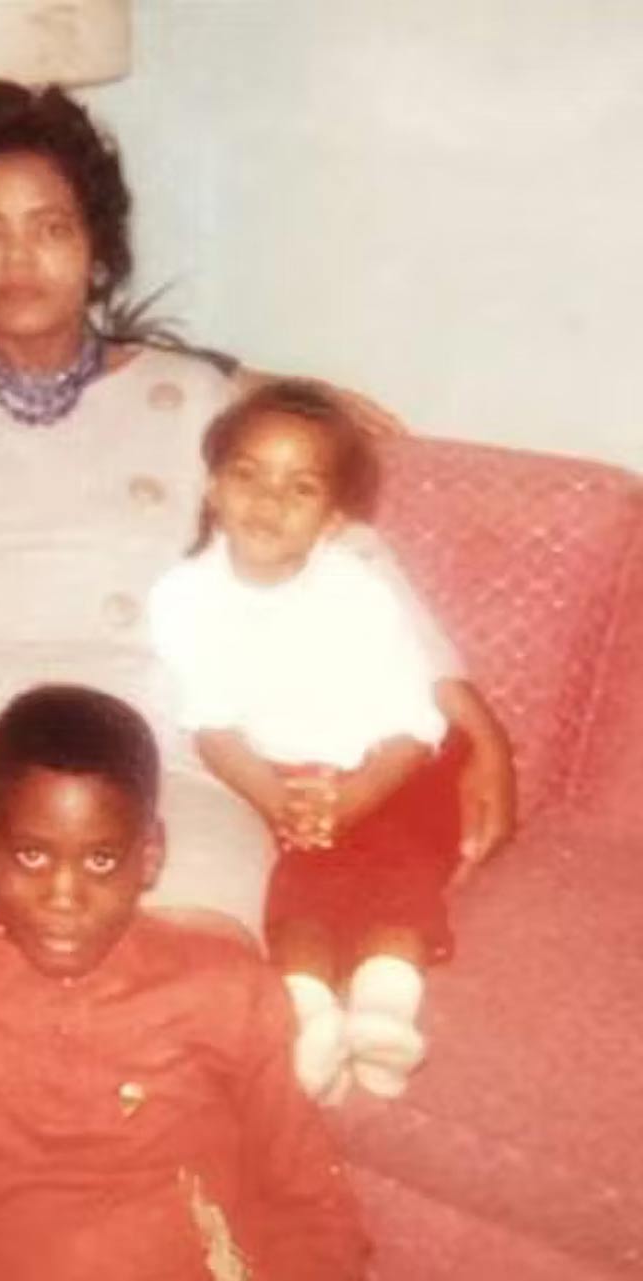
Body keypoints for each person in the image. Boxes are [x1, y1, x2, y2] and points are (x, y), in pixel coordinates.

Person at [0, 80, 514, 937]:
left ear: (97, 249)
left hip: (176, 758)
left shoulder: (192, 396)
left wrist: (480, 728)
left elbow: (351, 563)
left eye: (50, 228)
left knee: (193, 974)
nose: (18, 260)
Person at [0, 685, 370, 1281]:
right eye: (31, 855)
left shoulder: (228, 990)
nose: (64, 896)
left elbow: (313, 1205)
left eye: (101, 860)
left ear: (149, 856)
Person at [149, 379, 498, 1101]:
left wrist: (353, 795)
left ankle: (382, 1013)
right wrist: (279, 799)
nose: (268, 501)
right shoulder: (183, 598)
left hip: (398, 770)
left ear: (332, 520)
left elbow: (416, 722)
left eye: (298, 488)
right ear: (213, 487)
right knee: (296, 892)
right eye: (248, 475)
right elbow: (209, 724)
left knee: (390, 875)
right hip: (289, 781)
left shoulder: (357, 591)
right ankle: (311, 1020)